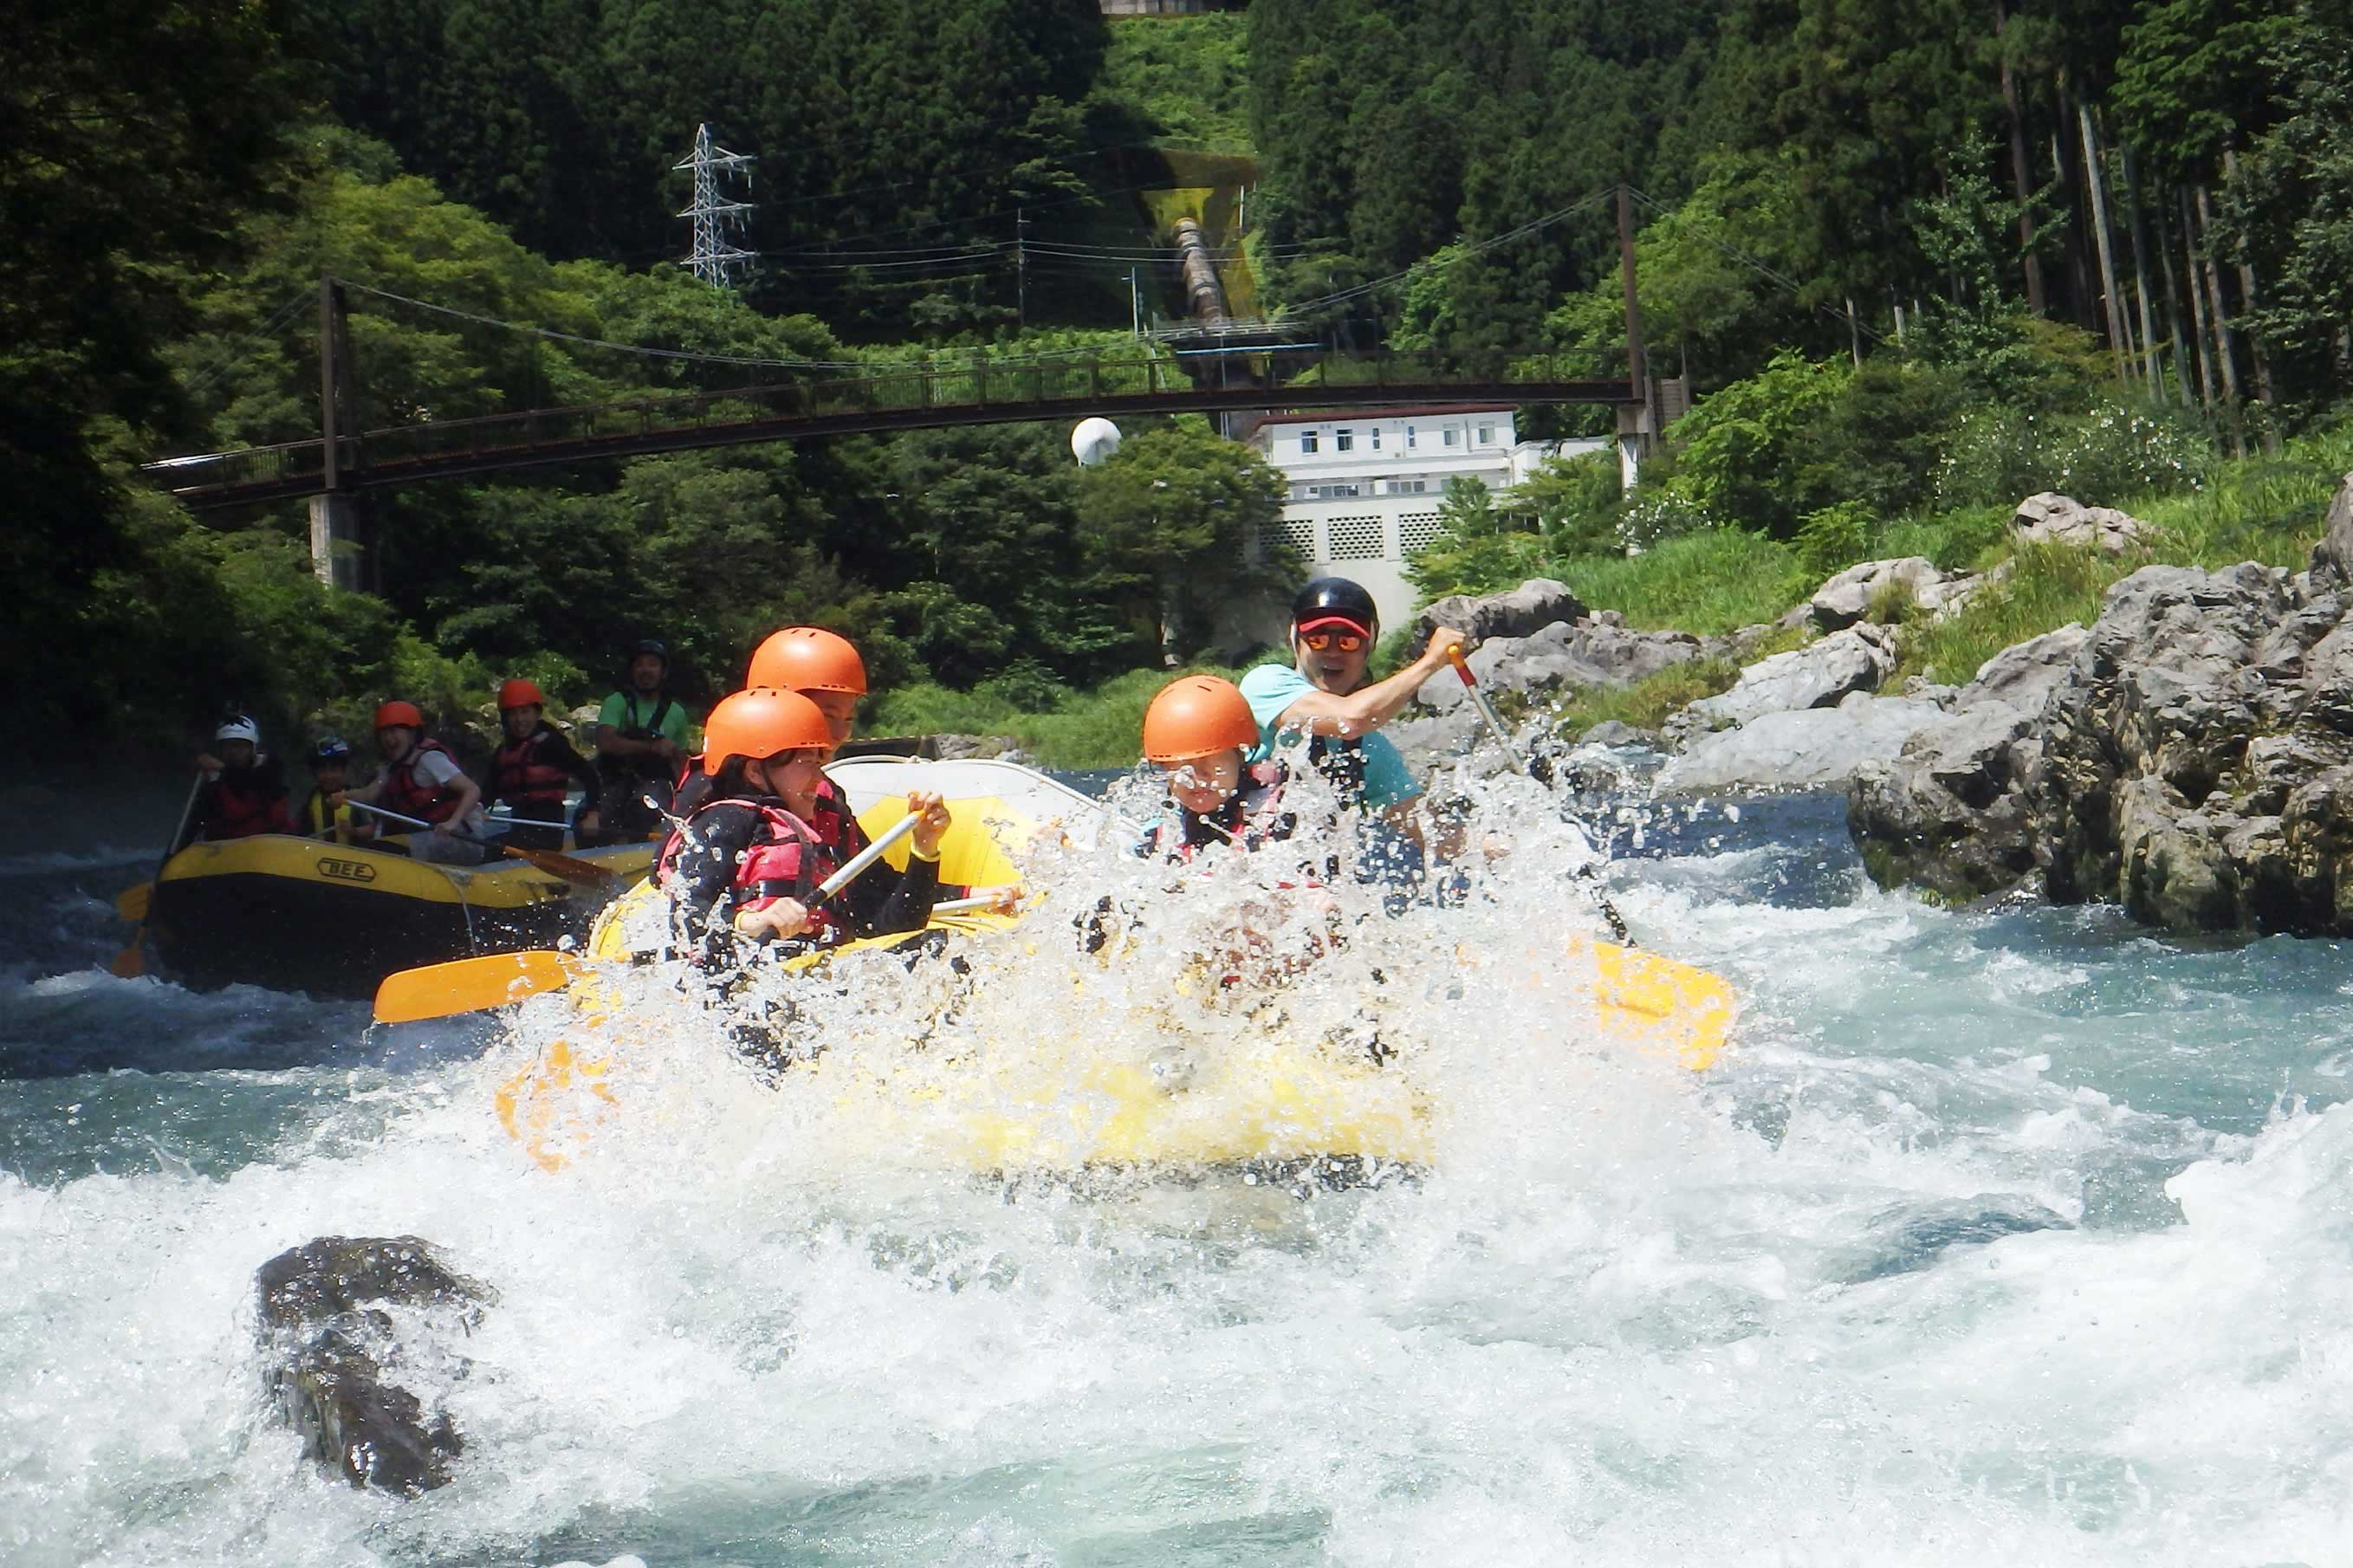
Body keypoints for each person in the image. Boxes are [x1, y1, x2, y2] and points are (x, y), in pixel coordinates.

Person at [658, 687, 953, 969]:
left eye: (818, 763)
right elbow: (688, 917)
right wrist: (747, 922)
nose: (818, 778)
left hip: (811, 974)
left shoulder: (814, 838)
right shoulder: (726, 819)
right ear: (755, 771)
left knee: (932, 947)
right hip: (753, 982)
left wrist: (924, 849)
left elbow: (893, 929)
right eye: (806, 763)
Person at [1237, 577, 1468, 852]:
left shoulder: (1370, 750)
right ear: (1295, 639)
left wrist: (1512, 847)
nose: (1333, 652)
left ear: (1368, 648)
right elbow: (1349, 720)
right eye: (1318, 639)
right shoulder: (1265, 685)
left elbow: (1432, 833)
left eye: (1348, 641)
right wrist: (1430, 662)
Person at [1136, 675, 1296, 861]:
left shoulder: (1280, 814)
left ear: (1241, 755)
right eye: (1181, 766)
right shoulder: (1166, 832)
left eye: (1209, 761)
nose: (1197, 778)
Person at [344, 700, 489, 865]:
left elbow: (472, 790)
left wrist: (452, 822)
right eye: (384, 733)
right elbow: (368, 794)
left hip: (462, 838)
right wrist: (341, 796)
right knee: (379, 846)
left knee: (385, 850)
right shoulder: (392, 770)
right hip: (429, 837)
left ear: (412, 735)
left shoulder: (429, 760)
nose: (388, 739)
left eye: (394, 731)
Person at [482, 679, 601, 852]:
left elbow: (590, 776)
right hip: (520, 826)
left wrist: (592, 814)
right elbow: (487, 793)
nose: (519, 720)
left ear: (537, 714)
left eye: (525, 712)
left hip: (548, 832)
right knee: (481, 847)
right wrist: (471, 811)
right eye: (513, 714)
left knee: (491, 850)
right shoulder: (504, 751)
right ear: (504, 718)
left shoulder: (551, 744)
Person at [592, 638, 690, 844]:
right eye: (640, 664)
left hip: (655, 783)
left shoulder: (676, 712)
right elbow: (605, 741)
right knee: (598, 823)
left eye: (653, 665)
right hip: (616, 780)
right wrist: (653, 747)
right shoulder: (617, 702)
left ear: (663, 672)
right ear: (632, 671)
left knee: (642, 812)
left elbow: (681, 764)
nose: (646, 670)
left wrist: (686, 803)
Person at [180, 716, 295, 847]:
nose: (233, 752)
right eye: (227, 747)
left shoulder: (271, 769)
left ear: (253, 748)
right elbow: (191, 825)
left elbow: (252, 781)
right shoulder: (214, 785)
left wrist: (222, 768)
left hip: (270, 850)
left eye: (240, 746)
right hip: (228, 854)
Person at [295, 736, 377, 846]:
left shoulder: (355, 798)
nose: (328, 776)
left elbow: (374, 829)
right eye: (322, 770)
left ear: (344, 771)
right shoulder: (311, 799)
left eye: (334, 770)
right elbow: (298, 832)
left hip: (351, 858)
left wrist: (354, 832)